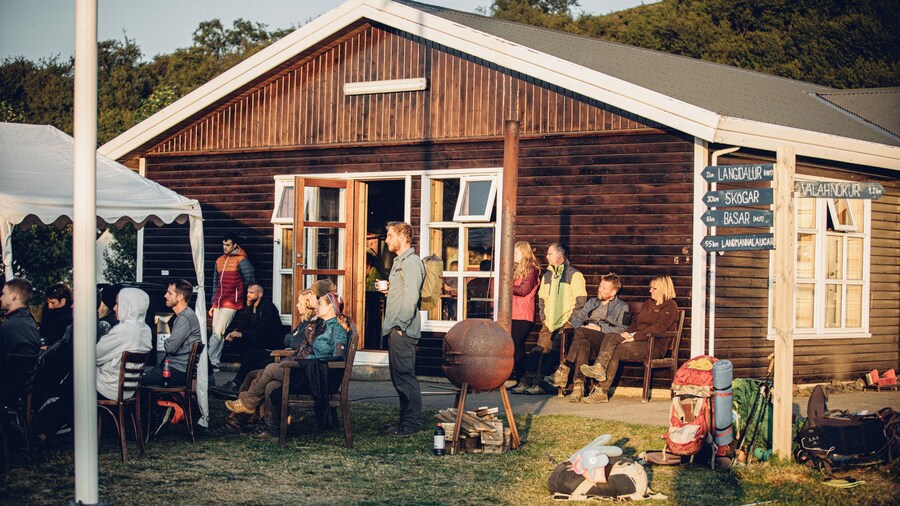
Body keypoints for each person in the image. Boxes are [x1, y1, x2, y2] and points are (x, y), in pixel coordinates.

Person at [33, 287, 153, 443]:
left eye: (118, 304)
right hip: (127, 388)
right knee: (70, 392)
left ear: (129, 306)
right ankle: (49, 431)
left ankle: (38, 429)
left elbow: (94, 355)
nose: (115, 308)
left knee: (67, 389)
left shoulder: (124, 331)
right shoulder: (145, 330)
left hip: (108, 386)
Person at [223, 293, 349, 440]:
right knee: (271, 384)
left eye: (320, 303)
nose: (316, 306)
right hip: (304, 369)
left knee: (270, 369)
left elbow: (338, 357)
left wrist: (311, 359)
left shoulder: (337, 330)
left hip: (315, 375)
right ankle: (272, 430)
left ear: (330, 308)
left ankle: (248, 403)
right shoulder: (321, 325)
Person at [579, 275, 679, 403]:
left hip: (654, 344)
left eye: (654, 288)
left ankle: (601, 391)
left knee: (616, 350)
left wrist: (634, 336)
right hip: (637, 339)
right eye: (650, 288)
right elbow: (635, 322)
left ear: (664, 289)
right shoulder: (649, 303)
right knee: (611, 336)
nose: (650, 291)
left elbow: (659, 328)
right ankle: (599, 366)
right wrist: (626, 333)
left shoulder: (670, 306)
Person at [511, 243, 586, 395]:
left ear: (560, 255)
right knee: (538, 350)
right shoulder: (547, 275)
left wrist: (571, 321)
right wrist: (544, 317)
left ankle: (539, 384)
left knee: (551, 352)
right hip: (549, 322)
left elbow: (581, 301)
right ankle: (526, 381)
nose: (547, 257)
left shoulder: (574, 275)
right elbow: (542, 299)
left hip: (565, 322)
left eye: (550, 254)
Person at [545, 273, 629, 402]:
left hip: (604, 341)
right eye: (600, 286)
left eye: (604, 288)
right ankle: (578, 387)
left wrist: (600, 329)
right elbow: (576, 320)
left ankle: (564, 370)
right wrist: (586, 327)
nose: (600, 290)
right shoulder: (592, 302)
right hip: (586, 336)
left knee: (581, 333)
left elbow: (622, 329)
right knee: (582, 343)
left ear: (613, 292)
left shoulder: (622, 306)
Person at [210, 285, 305, 399]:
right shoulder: (249, 307)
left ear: (260, 294)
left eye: (251, 292)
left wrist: (242, 334)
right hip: (257, 342)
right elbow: (244, 322)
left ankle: (237, 386)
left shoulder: (268, 308)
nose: (248, 295)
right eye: (248, 292)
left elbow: (263, 328)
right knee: (237, 343)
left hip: (271, 345)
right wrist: (235, 332)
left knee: (251, 354)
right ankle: (238, 386)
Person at [381, 221, 425, 436]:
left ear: (402, 236)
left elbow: (411, 296)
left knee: (405, 377)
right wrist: (389, 289)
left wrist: (400, 325)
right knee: (399, 377)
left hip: (402, 330)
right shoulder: (401, 262)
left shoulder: (411, 263)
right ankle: (404, 422)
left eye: (390, 235)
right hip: (397, 329)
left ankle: (412, 424)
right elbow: (403, 292)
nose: (387, 239)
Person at [208, 233, 255, 370]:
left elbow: (249, 280)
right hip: (220, 302)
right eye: (223, 244)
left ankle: (206, 362)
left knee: (217, 332)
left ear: (235, 245)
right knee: (218, 334)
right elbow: (215, 284)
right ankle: (214, 363)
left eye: (228, 245)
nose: (225, 247)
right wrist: (214, 303)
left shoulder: (242, 261)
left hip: (232, 302)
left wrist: (246, 301)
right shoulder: (219, 260)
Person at [143, 279, 202, 386]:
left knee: (137, 381)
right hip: (173, 368)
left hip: (177, 371)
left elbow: (170, 347)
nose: (165, 295)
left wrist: (167, 341)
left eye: (170, 293)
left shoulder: (185, 317)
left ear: (180, 297)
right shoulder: (182, 316)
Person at [510, 241, 540, 387]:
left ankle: (524, 379)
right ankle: (521, 380)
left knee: (517, 346)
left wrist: (506, 285)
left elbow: (523, 291)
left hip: (523, 314)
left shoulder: (531, 270)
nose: (513, 255)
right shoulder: (518, 269)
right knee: (515, 346)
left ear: (523, 253)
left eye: (516, 253)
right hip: (514, 313)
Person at [0, 278, 41, 380]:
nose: (1, 298)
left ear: (13, 295)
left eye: (3, 294)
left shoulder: (9, 328)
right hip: (22, 390)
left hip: (8, 390)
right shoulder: (30, 321)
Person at [39, 283, 72, 348]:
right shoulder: (47, 312)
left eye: (53, 303)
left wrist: (49, 347)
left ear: (63, 301)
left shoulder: (70, 317)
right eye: (48, 302)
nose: (49, 306)